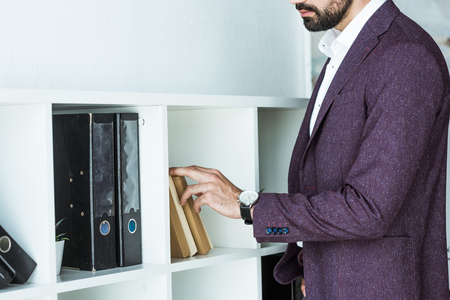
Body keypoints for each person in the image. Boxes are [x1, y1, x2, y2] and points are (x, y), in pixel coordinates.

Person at [169, 0, 450, 298]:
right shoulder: (343, 51)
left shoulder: (405, 55)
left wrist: (248, 207)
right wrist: (314, 267)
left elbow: (369, 210)